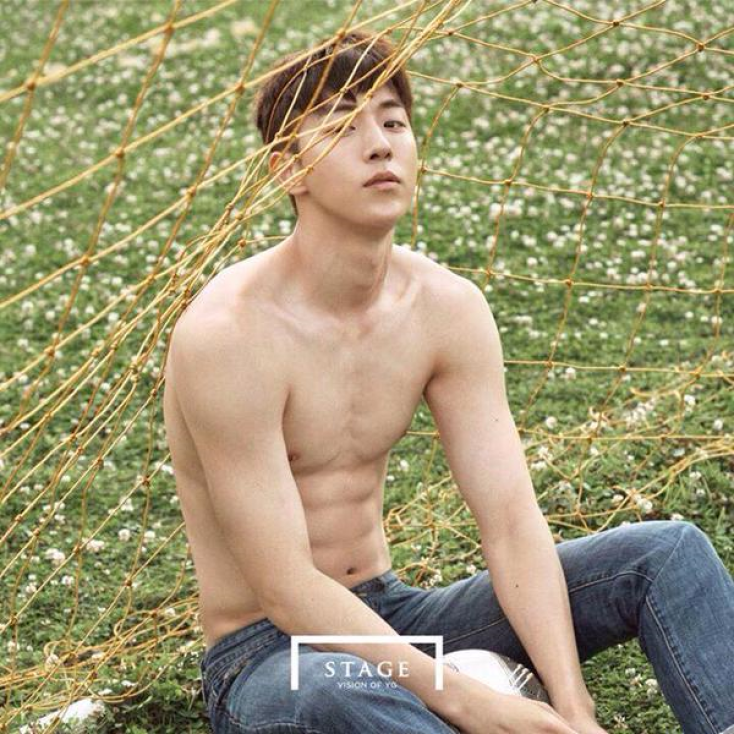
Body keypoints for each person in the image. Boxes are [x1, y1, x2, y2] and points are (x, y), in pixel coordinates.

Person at [161, 29, 734, 734]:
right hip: (272, 656)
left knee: (666, 554)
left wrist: (573, 706)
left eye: (393, 122)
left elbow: (511, 523)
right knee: (339, 695)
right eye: (342, 126)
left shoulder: (444, 307)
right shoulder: (229, 335)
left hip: (393, 615)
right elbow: (285, 587)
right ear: (288, 169)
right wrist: (471, 701)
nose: (379, 145)